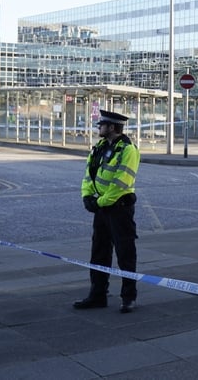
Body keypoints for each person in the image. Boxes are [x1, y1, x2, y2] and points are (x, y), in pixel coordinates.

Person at [74, 110, 140, 313]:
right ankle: (97, 295)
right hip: (102, 209)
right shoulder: (99, 147)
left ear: (112, 127)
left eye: (101, 124)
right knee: (99, 253)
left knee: (125, 254)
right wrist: (87, 196)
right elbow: (89, 175)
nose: (99, 127)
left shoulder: (128, 150)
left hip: (119, 209)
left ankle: (128, 298)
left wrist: (100, 202)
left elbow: (121, 183)